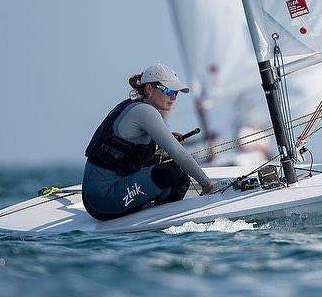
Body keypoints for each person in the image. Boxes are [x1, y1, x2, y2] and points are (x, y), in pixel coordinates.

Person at [82, 63, 220, 221]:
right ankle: (162, 222)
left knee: (177, 174)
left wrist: (166, 139)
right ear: (149, 89)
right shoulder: (145, 111)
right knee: (174, 172)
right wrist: (208, 185)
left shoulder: (138, 107)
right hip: (102, 200)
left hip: (109, 190)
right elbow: (178, 153)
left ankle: (159, 214)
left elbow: (136, 152)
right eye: (168, 91)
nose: (173, 97)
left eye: (176, 92)